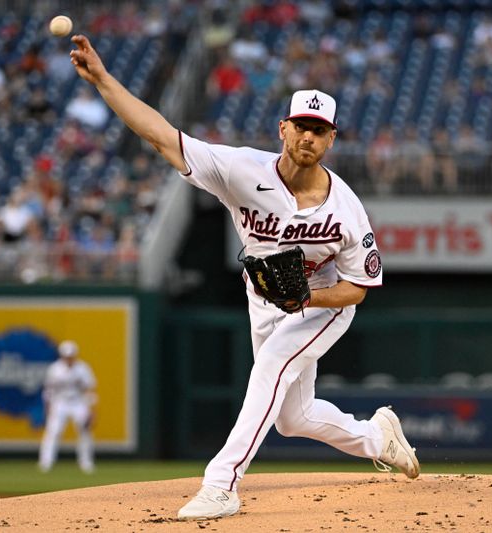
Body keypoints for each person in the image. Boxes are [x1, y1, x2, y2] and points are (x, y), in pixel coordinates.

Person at [68, 34, 420, 520]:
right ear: (283, 128)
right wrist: (105, 82)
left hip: (324, 303)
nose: (308, 137)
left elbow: (358, 288)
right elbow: (162, 136)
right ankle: (377, 437)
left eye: (320, 130)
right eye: (301, 126)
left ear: (332, 138)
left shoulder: (346, 211)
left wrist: (306, 302)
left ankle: (222, 483)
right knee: (293, 419)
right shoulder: (239, 169)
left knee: (274, 362)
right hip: (266, 302)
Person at [38, 340, 97, 474]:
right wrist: (47, 407)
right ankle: (46, 462)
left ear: (75, 355)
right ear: (62, 356)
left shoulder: (83, 368)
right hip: (60, 403)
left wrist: (92, 410)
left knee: (85, 431)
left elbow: (90, 390)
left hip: (78, 402)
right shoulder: (55, 369)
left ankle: (86, 462)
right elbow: (48, 390)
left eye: (71, 356)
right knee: (53, 431)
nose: (69, 358)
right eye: (66, 356)